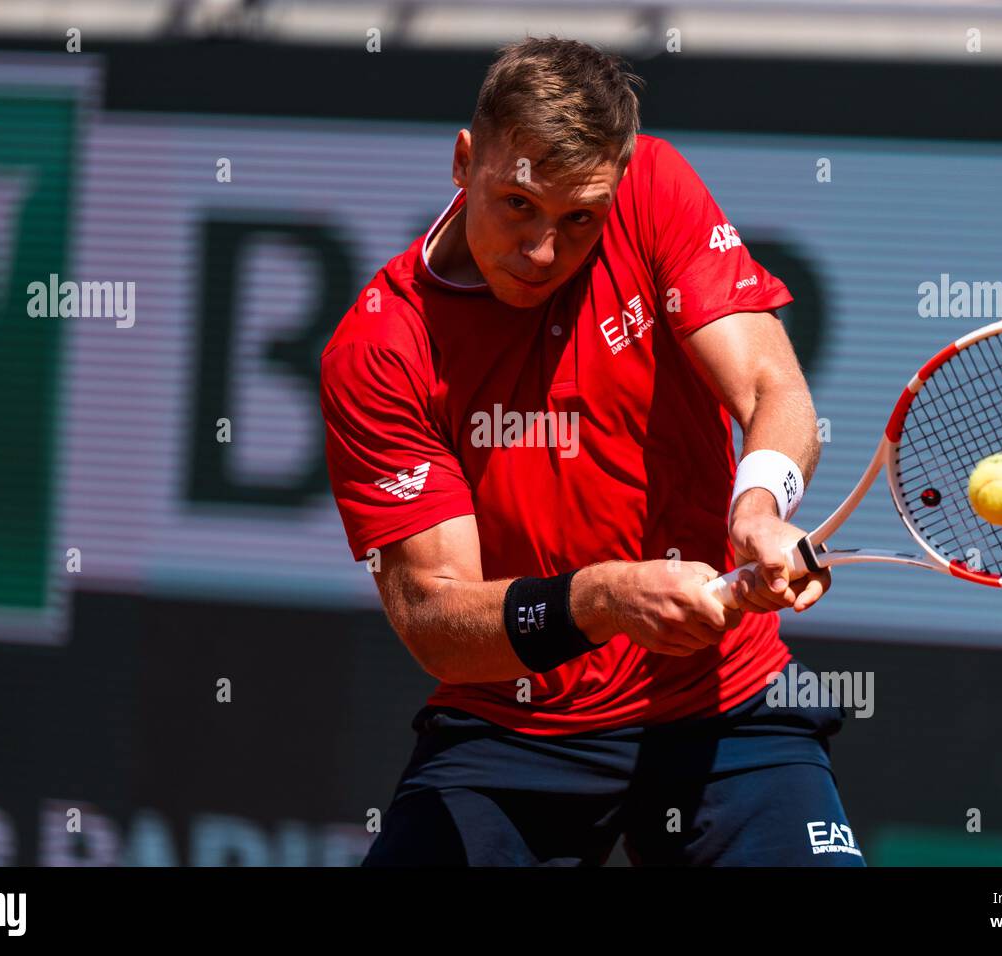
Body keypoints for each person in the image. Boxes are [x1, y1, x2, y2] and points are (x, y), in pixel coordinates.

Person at [319, 36, 863, 866]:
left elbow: (769, 387)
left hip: (727, 702)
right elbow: (434, 616)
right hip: (512, 729)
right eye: (518, 205)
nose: (543, 252)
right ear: (465, 162)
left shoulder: (651, 185)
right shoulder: (381, 349)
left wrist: (758, 508)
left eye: (580, 220)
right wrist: (599, 600)